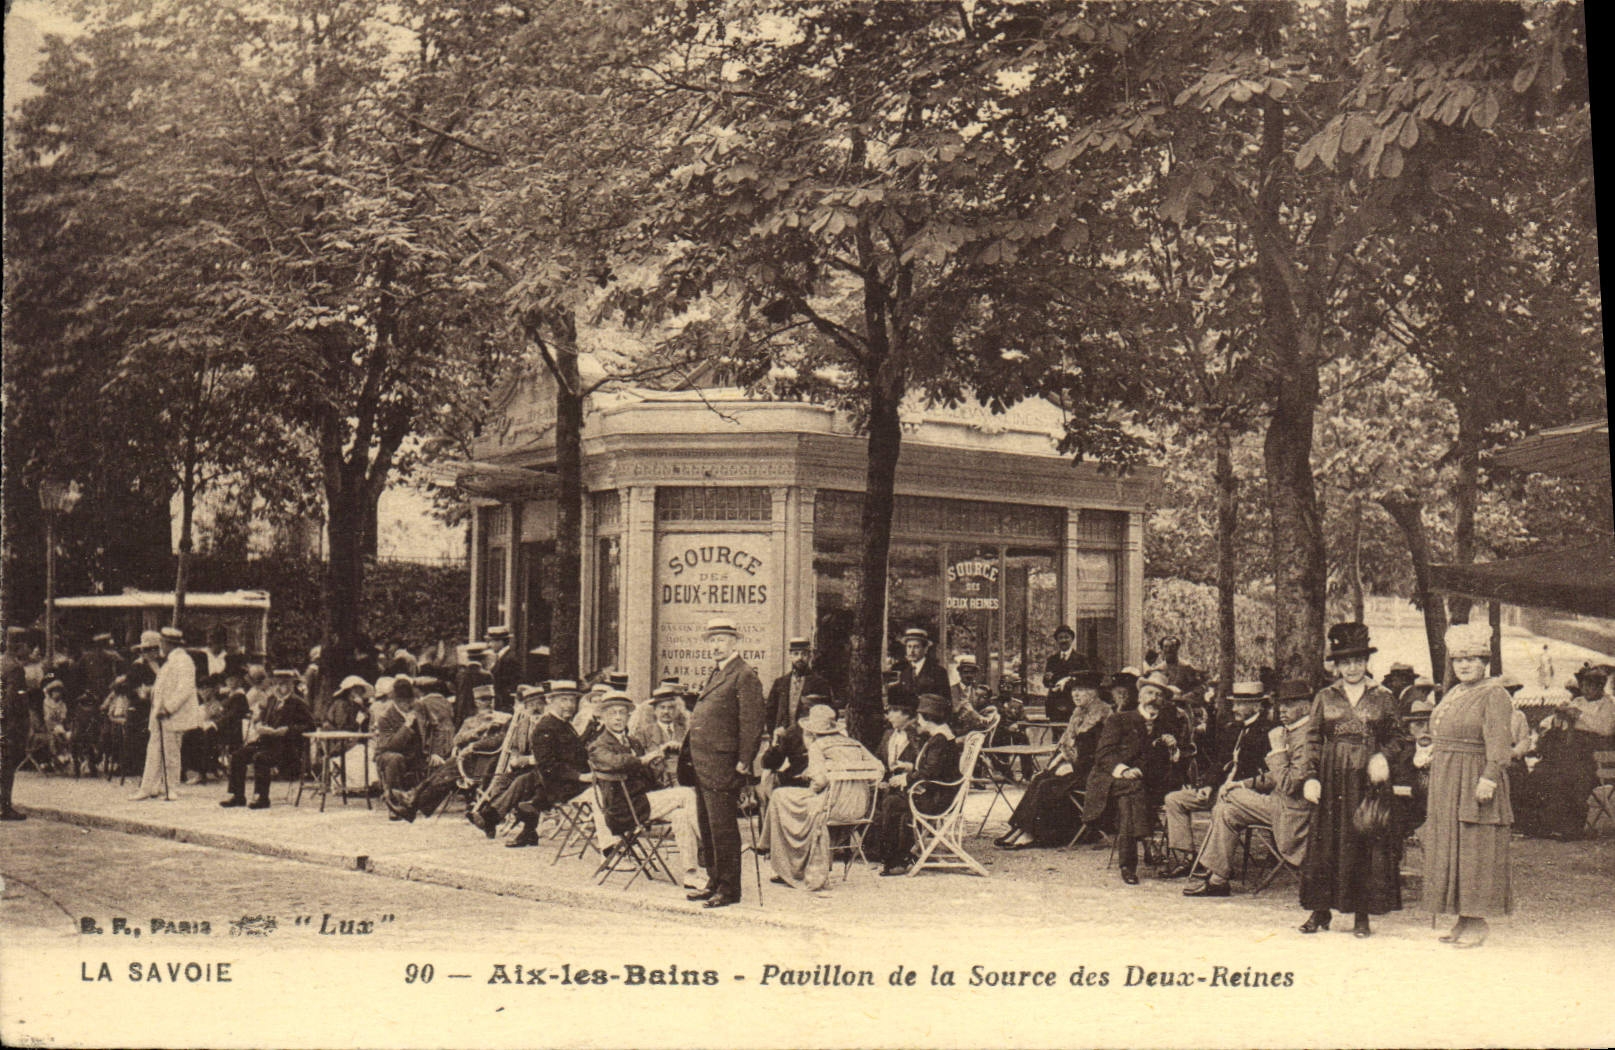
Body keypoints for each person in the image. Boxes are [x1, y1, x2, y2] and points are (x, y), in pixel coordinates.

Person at [1297, 622, 1411, 937]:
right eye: (1345, 662)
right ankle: (1320, 911)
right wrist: (1310, 777)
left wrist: (1382, 757)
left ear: (1366, 662)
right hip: (1331, 777)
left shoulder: (1383, 696)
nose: (1352, 668)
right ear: (1336, 665)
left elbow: (1400, 738)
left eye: (1358, 661)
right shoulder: (1325, 696)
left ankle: (1362, 914)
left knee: (1364, 842)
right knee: (1326, 843)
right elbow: (1312, 739)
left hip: (1367, 780)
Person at [1424, 624, 1516, 948]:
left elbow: (1500, 742)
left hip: (1474, 776)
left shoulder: (1494, 694)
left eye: (1472, 659)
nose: (1464, 665)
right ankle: (1463, 919)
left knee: (1476, 847)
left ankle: (1477, 921)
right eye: (1458, 660)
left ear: (1485, 662)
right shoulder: (1455, 692)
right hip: (1447, 778)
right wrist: (1428, 750)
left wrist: (1489, 777)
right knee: (1454, 847)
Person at [1184, 679, 1317, 898]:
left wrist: (1277, 751)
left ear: (1306, 707)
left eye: (1290, 705)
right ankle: (1218, 880)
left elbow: (1289, 784)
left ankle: (1205, 866)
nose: (1283, 710)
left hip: (1295, 813)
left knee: (1229, 795)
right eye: (1281, 705)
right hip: (1280, 805)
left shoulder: (1307, 738)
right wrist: (1242, 784)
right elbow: (1275, 777)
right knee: (1226, 811)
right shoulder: (1291, 732)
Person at [588, 691, 705, 889]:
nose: (618, 718)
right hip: (623, 809)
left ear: (628, 716)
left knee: (682, 815)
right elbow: (616, 762)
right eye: (612, 713)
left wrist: (657, 760)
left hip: (642, 803)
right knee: (686, 794)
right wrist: (644, 759)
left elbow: (646, 775)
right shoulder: (598, 745)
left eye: (622, 713)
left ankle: (691, 874)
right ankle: (711, 846)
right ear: (603, 717)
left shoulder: (633, 742)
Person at [685, 617, 765, 909]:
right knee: (707, 826)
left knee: (723, 828)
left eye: (721, 640)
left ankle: (729, 889)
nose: (716, 646)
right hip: (703, 763)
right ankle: (714, 880)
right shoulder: (718, 672)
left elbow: (752, 722)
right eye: (712, 640)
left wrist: (744, 761)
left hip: (723, 764)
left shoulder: (744, 675)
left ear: (734, 642)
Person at [1159, 681, 1273, 877]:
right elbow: (1219, 762)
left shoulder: (1269, 731)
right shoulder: (1233, 728)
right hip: (1220, 789)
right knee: (1174, 799)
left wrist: (1237, 787)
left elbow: (1269, 775)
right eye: (1234, 703)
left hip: (1247, 795)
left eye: (1239, 704)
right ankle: (1187, 857)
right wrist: (1208, 785)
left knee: (1221, 807)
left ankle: (1214, 866)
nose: (1234, 708)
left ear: (1256, 706)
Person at [763, 704, 883, 890]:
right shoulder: (853, 743)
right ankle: (782, 855)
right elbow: (879, 768)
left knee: (779, 796)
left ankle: (788, 865)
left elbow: (819, 782)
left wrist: (813, 782)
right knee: (789, 800)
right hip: (859, 807)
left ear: (812, 731)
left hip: (831, 807)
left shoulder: (818, 746)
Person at [994, 671, 1112, 849]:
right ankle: (1019, 828)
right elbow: (1067, 746)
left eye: (1081, 690)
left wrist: (1073, 766)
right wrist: (1056, 763)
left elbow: (1102, 752)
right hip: (1076, 767)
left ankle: (1032, 833)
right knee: (1039, 779)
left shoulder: (1103, 716)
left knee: (1047, 785)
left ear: (1094, 692)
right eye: (1074, 690)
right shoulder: (1078, 713)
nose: (1075, 694)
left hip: (1093, 772)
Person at [483, 682, 593, 847]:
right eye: (563, 700)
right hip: (565, 784)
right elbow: (548, 765)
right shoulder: (546, 727)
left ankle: (520, 824)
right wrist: (580, 776)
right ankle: (522, 815)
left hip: (562, 780)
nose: (569, 705)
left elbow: (571, 755)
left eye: (572, 700)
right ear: (551, 701)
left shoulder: (564, 724)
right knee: (529, 782)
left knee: (527, 782)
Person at [868, 694, 962, 876]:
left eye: (920, 716)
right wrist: (910, 767)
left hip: (938, 798)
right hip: (938, 793)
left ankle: (893, 860)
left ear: (928, 718)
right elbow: (933, 767)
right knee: (896, 803)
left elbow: (930, 772)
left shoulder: (940, 740)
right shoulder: (941, 737)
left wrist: (904, 778)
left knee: (892, 802)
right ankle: (899, 857)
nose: (918, 720)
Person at [387, 685, 511, 821]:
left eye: (491, 699)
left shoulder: (504, 718)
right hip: (470, 760)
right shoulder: (470, 721)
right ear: (476, 702)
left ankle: (412, 800)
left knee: (449, 769)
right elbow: (456, 740)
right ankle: (412, 803)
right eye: (484, 699)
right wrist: (477, 731)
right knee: (446, 771)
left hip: (491, 762)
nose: (489, 702)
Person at [1083, 685, 1163, 884]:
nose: (1154, 698)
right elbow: (1103, 754)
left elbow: (1177, 757)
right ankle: (1147, 841)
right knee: (1132, 791)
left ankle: (1128, 865)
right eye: (1150, 693)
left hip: (1147, 783)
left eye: (1159, 695)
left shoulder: (1167, 723)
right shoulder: (1120, 719)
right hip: (1110, 778)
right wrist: (1124, 771)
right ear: (1140, 697)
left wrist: (1172, 747)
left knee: (1129, 799)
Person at [220, 669, 314, 809]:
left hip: (287, 747)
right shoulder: (271, 700)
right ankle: (237, 796)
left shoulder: (298, 703)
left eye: (284, 683)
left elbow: (310, 726)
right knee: (238, 755)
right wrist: (259, 726)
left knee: (261, 758)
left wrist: (288, 730)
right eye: (277, 683)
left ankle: (261, 797)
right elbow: (261, 718)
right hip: (266, 742)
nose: (280, 687)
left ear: (291, 685)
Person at [130, 628, 201, 801]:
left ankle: (171, 788)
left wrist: (168, 708)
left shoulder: (183, 661)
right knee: (154, 751)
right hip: (160, 715)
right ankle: (148, 787)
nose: (160, 646)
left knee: (171, 753)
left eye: (162, 642)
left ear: (169, 643)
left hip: (171, 715)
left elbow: (185, 689)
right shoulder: (171, 661)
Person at [765, 638, 834, 737]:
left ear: (809, 656)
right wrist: (774, 734)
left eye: (804, 654)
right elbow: (770, 712)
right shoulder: (780, 683)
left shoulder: (820, 684)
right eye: (796, 654)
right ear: (790, 656)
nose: (800, 658)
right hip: (783, 739)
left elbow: (829, 713)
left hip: (808, 739)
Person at [1, 627, 33, 820]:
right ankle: (4, 807)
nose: (29, 649)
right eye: (28, 645)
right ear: (20, 645)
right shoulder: (15, 668)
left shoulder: (2, 662)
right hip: (10, 725)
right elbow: (12, 701)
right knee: (7, 766)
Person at [631, 685, 688, 790]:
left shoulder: (685, 731)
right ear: (655, 710)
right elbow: (639, 763)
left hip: (683, 781)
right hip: (657, 784)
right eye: (662, 707)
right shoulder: (644, 733)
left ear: (676, 710)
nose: (666, 712)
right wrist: (660, 751)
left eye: (670, 707)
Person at [1043, 624, 1089, 727]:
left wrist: (1068, 681)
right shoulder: (1052, 660)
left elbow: (1085, 680)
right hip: (1055, 706)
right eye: (1060, 638)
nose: (1063, 640)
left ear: (1072, 639)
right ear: (1057, 641)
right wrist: (1047, 679)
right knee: (1056, 733)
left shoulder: (1081, 659)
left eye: (1066, 637)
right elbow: (1046, 683)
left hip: (1073, 704)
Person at [895, 628, 951, 702]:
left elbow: (946, 702)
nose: (911, 651)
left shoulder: (938, 672)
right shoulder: (904, 673)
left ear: (925, 649)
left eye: (916, 647)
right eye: (909, 646)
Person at [487, 626, 520, 713]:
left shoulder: (508, 659)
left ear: (500, 642)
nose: (489, 645)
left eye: (492, 641)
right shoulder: (502, 657)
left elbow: (510, 685)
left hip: (505, 705)